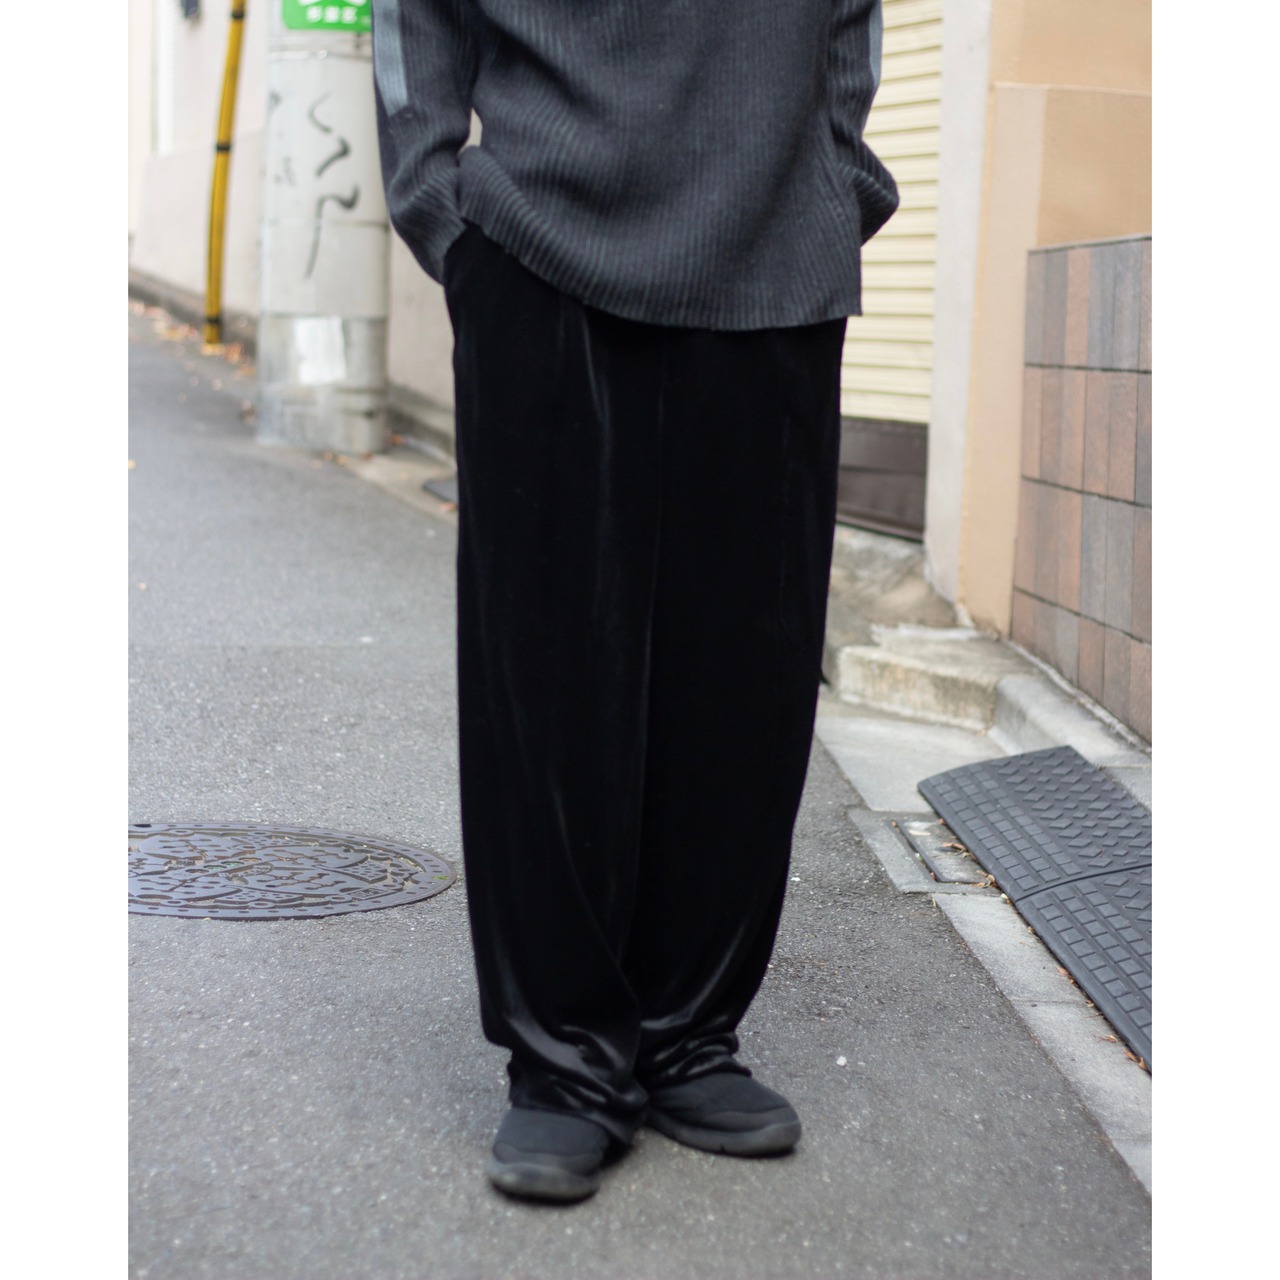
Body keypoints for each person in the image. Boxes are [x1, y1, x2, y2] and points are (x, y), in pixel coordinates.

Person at [372, 0, 898, 1203]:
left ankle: (685, 1034)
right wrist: (440, 205)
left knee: (744, 678)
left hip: (775, 250)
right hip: (536, 243)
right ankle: (563, 1060)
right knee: (548, 677)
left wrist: (833, 190)